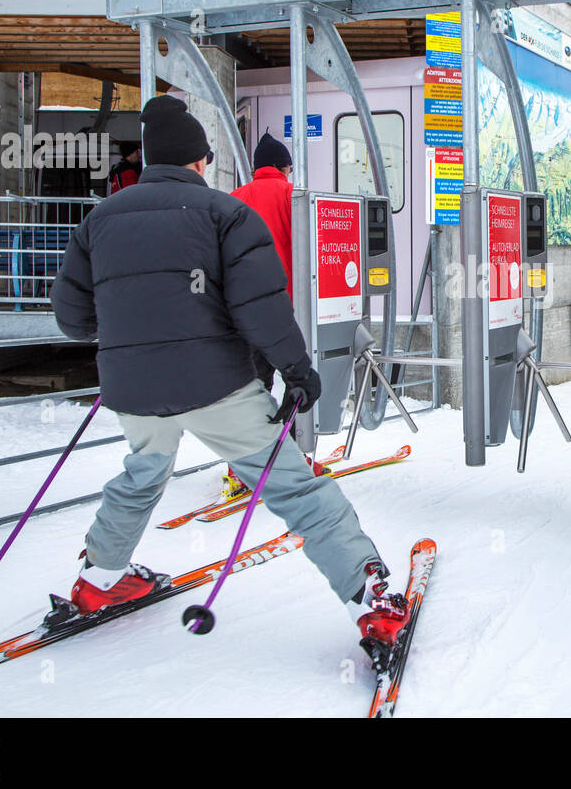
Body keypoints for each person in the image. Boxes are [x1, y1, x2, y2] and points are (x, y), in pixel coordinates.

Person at [50, 95, 407, 663]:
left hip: (134, 391)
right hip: (215, 386)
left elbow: (71, 319)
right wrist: (296, 368)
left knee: (142, 475)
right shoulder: (224, 214)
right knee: (294, 487)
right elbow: (260, 306)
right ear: (198, 162)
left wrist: (132, 327)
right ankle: (372, 601)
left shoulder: (100, 219)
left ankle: (98, 578)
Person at [230, 131, 295, 391]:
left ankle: (260, 427)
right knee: (297, 379)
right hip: (285, 305)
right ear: (282, 167)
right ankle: (294, 429)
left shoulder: (232, 199)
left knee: (256, 381)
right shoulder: (293, 196)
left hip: (244, 307)